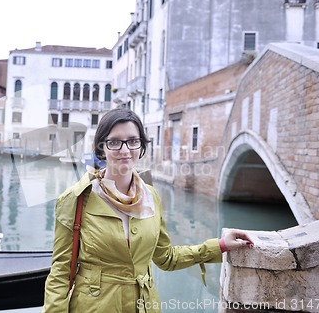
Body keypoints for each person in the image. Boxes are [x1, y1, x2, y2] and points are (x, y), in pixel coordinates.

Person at [42, 107, 254, 313]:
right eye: (115, 142)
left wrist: (220, 246)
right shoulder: (76, 199)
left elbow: (166, 258)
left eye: (133, 141)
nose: (125, 150)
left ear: (141, 146)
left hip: (145, 305)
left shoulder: (150, 196)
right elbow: (60, 272)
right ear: (101, 148)